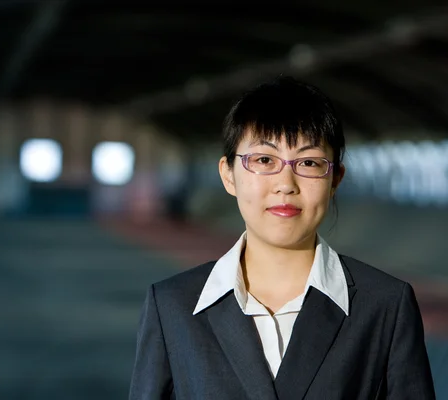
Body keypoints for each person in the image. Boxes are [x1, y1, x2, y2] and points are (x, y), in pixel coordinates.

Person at [128, 76, 436, 400]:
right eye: (264, 160)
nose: (285, 184)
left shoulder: (385, 306)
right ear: (228, 175)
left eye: (308, 162)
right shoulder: (173, 306)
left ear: (335, 179)